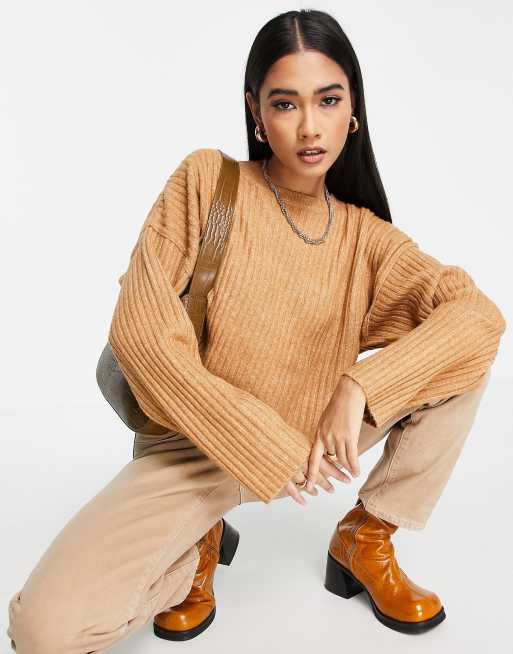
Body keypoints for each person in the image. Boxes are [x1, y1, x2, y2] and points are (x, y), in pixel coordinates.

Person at [7, 8, 506, 651]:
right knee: (43, 631)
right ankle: (196, 544)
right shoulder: (207, 184)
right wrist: (263, 446)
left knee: (460, 355)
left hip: (313, 442)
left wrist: (360, 385)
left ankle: (368, 535)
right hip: (196, 445)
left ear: (353, 109)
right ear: (255, 111)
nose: (309, 126)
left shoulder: (368, 241)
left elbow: (479, 318)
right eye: (285, 103)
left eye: (328, 100)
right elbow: (140, 336)